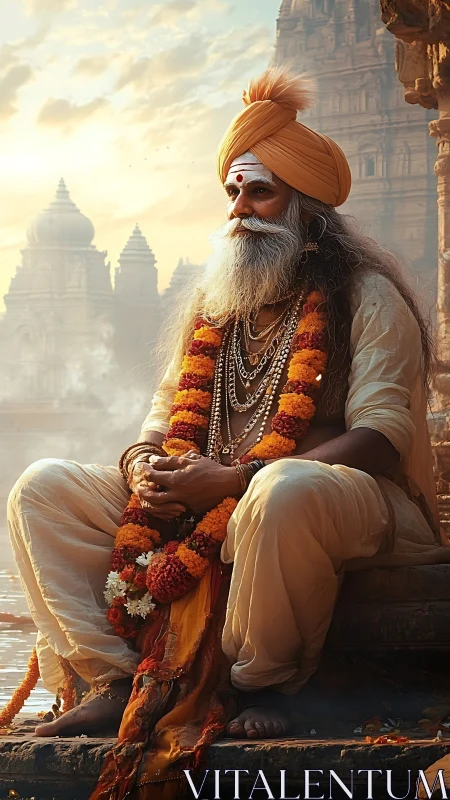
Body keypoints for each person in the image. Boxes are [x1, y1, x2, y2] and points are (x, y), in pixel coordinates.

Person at [7, 68, 449, 748]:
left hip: (344, 505)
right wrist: (149, 466)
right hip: (211, 493)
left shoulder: (367, 298)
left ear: (308, 215)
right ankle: (116, 679)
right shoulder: (215, 310)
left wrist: (236, 479)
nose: (239, 207)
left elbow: (382, 436)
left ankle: (264, 683)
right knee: (43, 487)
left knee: (284, 486)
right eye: (232, 191)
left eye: (260, 191)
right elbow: (162, 417)